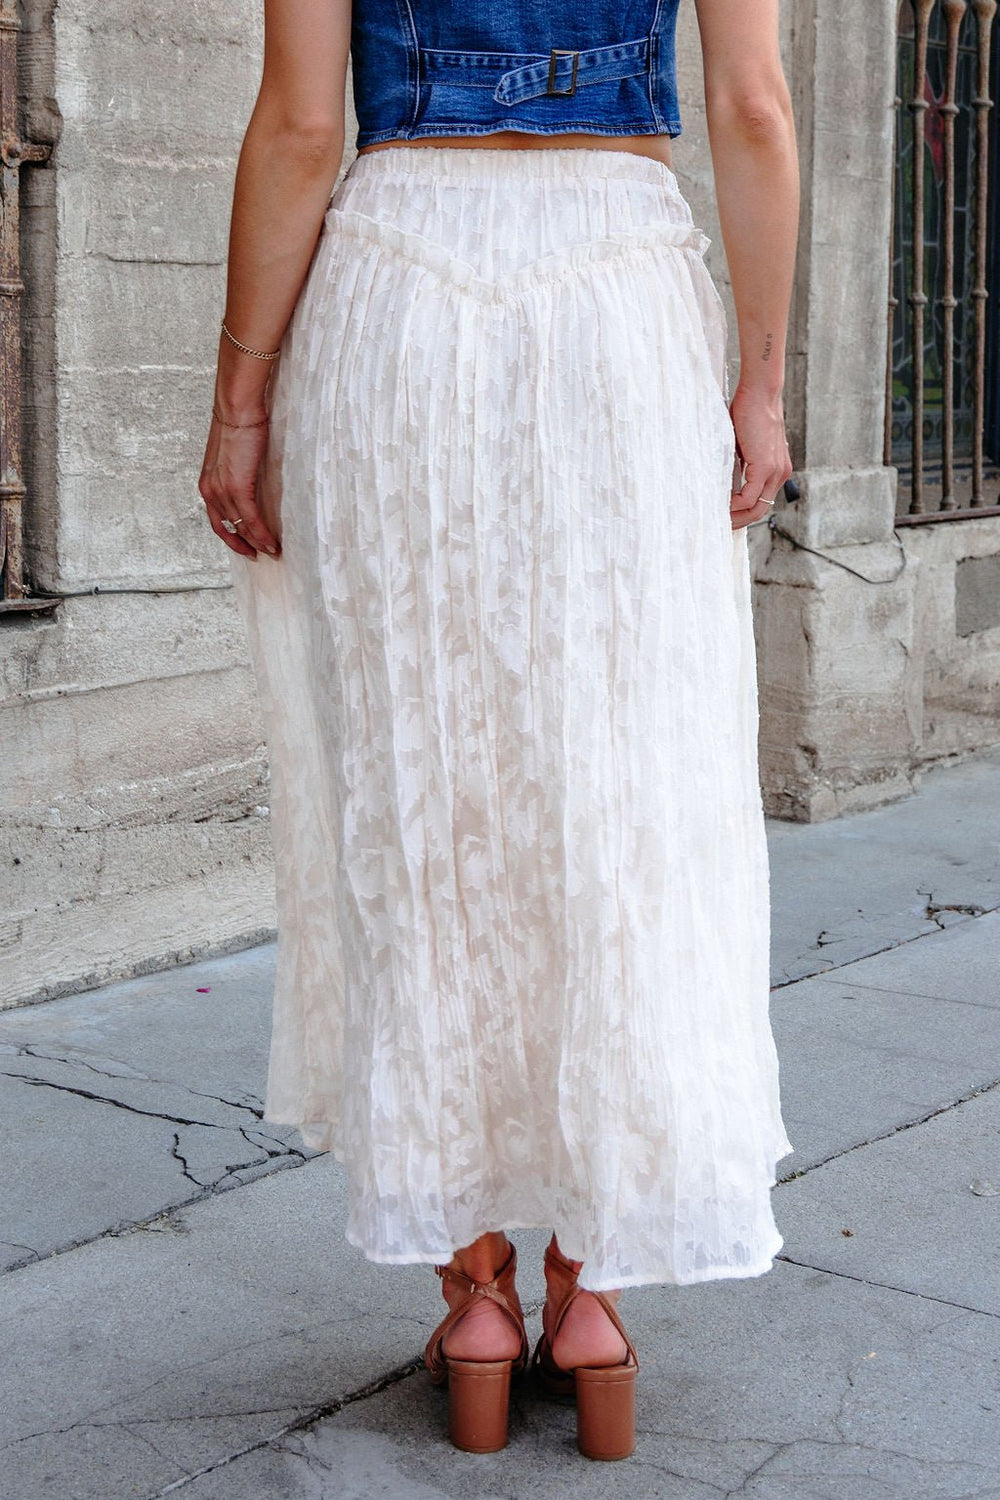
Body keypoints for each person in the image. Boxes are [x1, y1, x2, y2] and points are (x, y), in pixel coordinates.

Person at [198, 0, 798, 1463]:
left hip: (401, 276)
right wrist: (765, 383)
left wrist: (238, 400)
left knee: (427, 790)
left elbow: (294, 125)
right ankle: (590, 1295)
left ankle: (474, 1293)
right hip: (619, 290)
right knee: (626, 797)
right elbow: (755, 108)